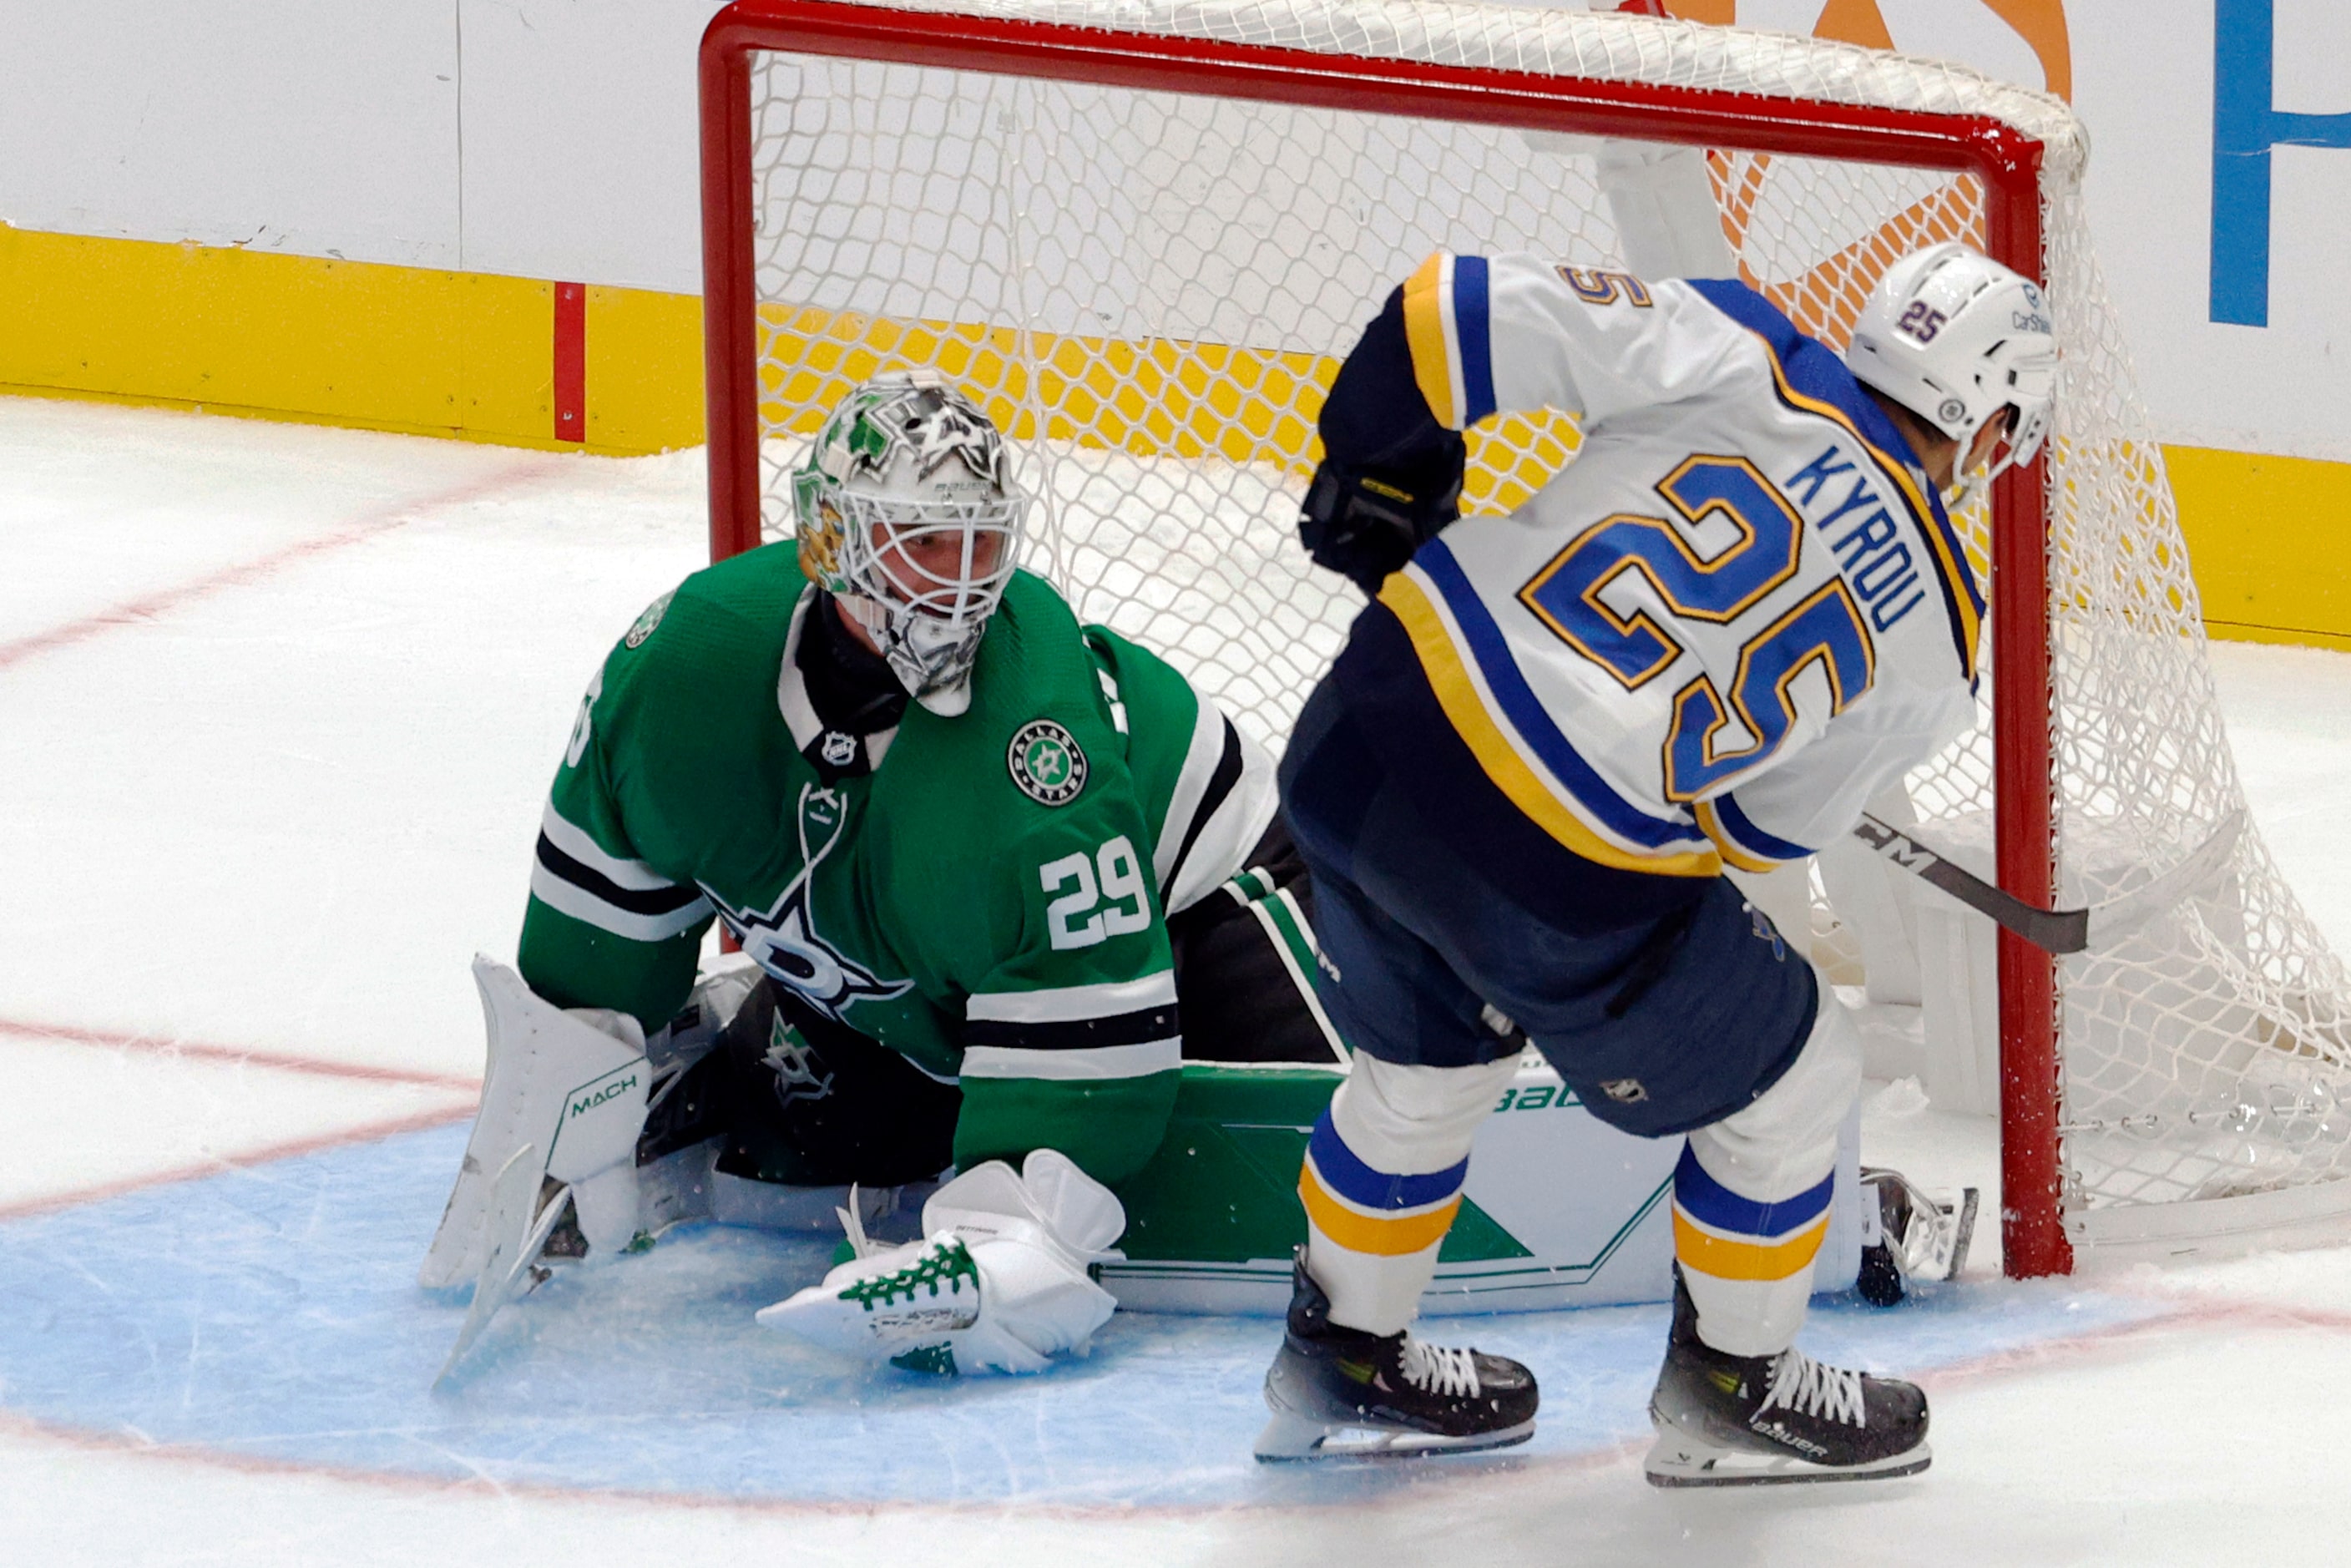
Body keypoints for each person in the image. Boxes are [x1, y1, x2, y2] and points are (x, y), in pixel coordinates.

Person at [1256, 240, 2055, 1481]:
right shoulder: (1944, 638)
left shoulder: (1744, 346)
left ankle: (1342, 1354)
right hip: (1551, 875)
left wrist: (1382, 471)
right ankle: (1734, 1387)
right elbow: (1757, 835)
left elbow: (1446, 309)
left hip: (1360, 733)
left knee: (1424, 1063)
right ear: (1991, 417)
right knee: (1799, 1076)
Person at [420, 371, 1337, 1378]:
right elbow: (591, 939)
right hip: (923, 965)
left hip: (1208, 901)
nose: (959, 581)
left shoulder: (1028, 768)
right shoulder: (685, 665)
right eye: (925, 541)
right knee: (801, 1152)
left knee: (1292, 1126)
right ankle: (753, 1039)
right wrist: (569, 1094)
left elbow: (1091, 1067)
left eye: (982, 543)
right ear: (829, 539)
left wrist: (1009, 1241)